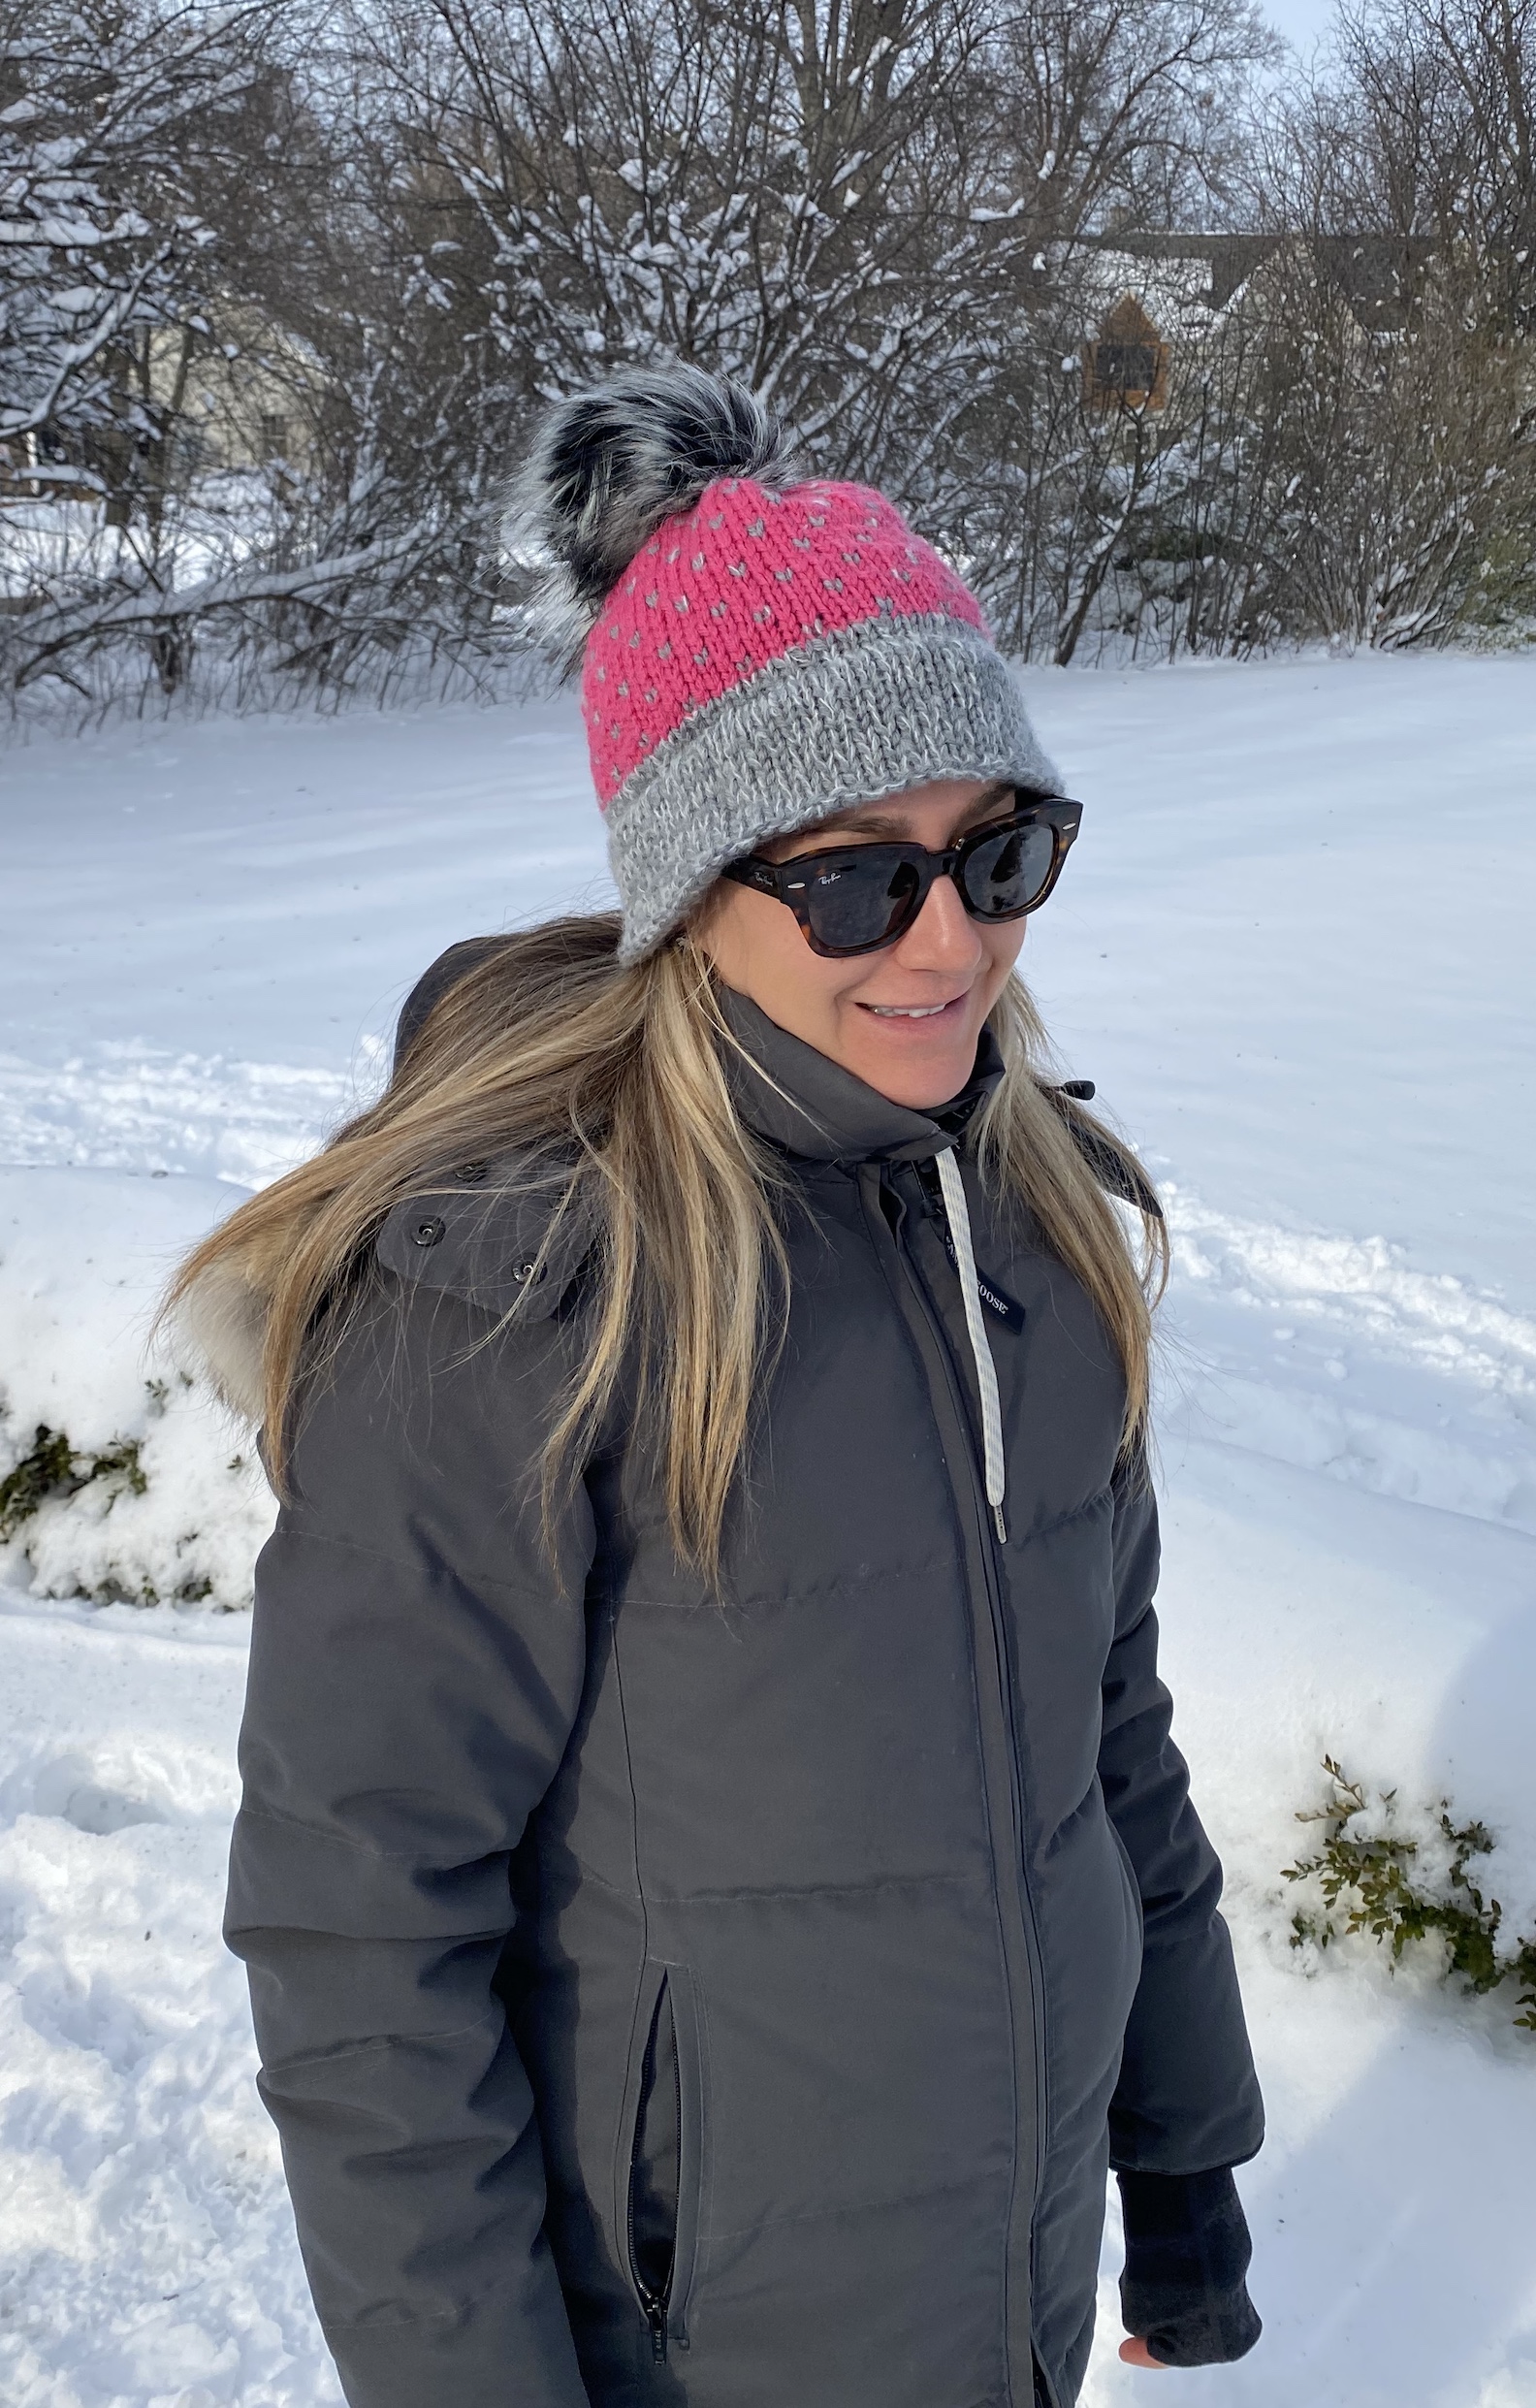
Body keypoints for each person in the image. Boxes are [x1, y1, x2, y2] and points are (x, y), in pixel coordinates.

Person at [174, 364, 1264, 2408]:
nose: (950, 942)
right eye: (856, 878)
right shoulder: (515, 1293)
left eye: (1002, 851)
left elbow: (1108, 1739)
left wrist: (1182, 2144)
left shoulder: (1032, 1224)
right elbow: (361, 1935)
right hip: (693, 2342)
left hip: (999, 2292)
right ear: (692, 888)